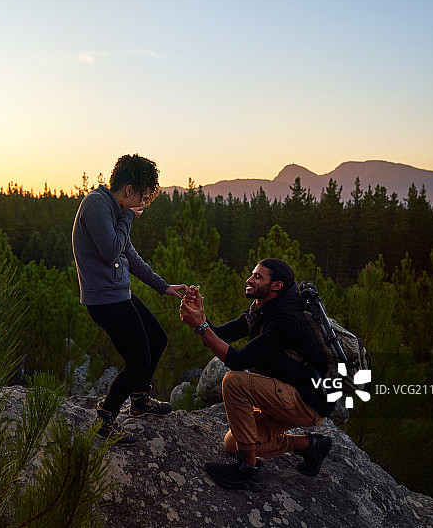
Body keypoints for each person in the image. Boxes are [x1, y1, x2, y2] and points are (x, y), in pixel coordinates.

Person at [178, 258, 334, 491]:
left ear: (276, 286)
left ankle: (248, 470)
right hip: (284, 392)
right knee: (234, 443)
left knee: (234, 382)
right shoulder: (262, 308)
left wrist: (201, 328)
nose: (249, 280)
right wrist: (200, 317)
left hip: (305, 401)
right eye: (252, 274)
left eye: (258, 277)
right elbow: (219, 335)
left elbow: (238, 361)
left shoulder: (286, 320)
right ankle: (309, 445)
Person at [72, 154, 186, 446]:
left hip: (119, 294)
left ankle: (139, 400)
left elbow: (129, 256)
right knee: (137, 360)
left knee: (157, 339)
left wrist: (163, 287)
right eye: (143, 198)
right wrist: (128, 218)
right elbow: (111, 250)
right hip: (105, 301)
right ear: (129, 190)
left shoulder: (112, 208)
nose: (143, 205)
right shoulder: (98, 205)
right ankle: (106, 417)